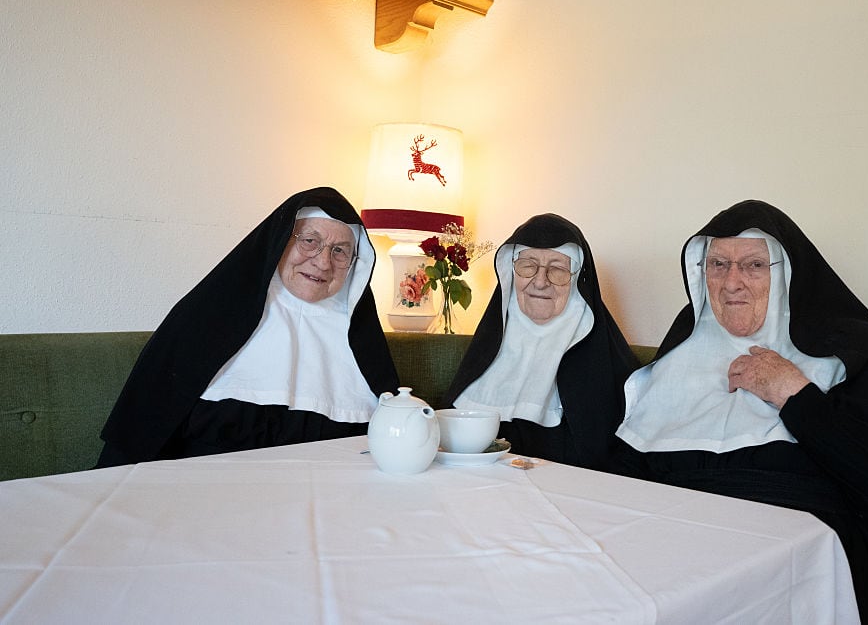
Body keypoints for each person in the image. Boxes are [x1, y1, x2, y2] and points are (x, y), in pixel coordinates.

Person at [615, 199, 868, 623]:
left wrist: (794, 392)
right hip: (677, 558)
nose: (731, 283)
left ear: (786, 274)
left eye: (752, 266)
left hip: (805, 568)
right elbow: (621, 481)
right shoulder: (676, 357)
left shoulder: (856, 349)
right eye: (717, 264)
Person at [97, 187, 398, 466]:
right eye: (310, 241)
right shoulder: (210, 316)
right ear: (281, 241)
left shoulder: (361, 342)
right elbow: (142, 432)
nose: (322, 262)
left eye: (340, 251)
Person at [442, 213, 638, 471]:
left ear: (578, 278)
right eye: (528, 265)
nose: (540, 281)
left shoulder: (606, 360)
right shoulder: (489, 346)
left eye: (557, 269)